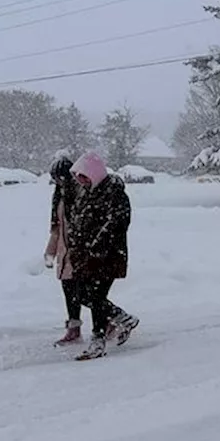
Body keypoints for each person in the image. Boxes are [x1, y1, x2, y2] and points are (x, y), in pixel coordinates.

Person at [67, 151, 139, 359]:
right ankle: (123, 318)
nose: (80, 181)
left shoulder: (114, 193)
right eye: (78, 177)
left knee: (96, 297)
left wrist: (97, 246)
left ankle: (97, 340)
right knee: (81, 295)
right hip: (86, 256)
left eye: (83, 176)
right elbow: (78, 222)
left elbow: (117, 223)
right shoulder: (87, 192)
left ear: (94, 173)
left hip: (107, 256)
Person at [44, 155, 84, 346]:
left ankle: (113, 317)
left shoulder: (80, 194)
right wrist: (50, 252)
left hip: (78, 253)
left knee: (85, 293)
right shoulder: (59, 196)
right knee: (70, 293)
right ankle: (74, 328)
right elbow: (57, 229)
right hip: (65, 254)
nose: (57, 182)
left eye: (59, 178)